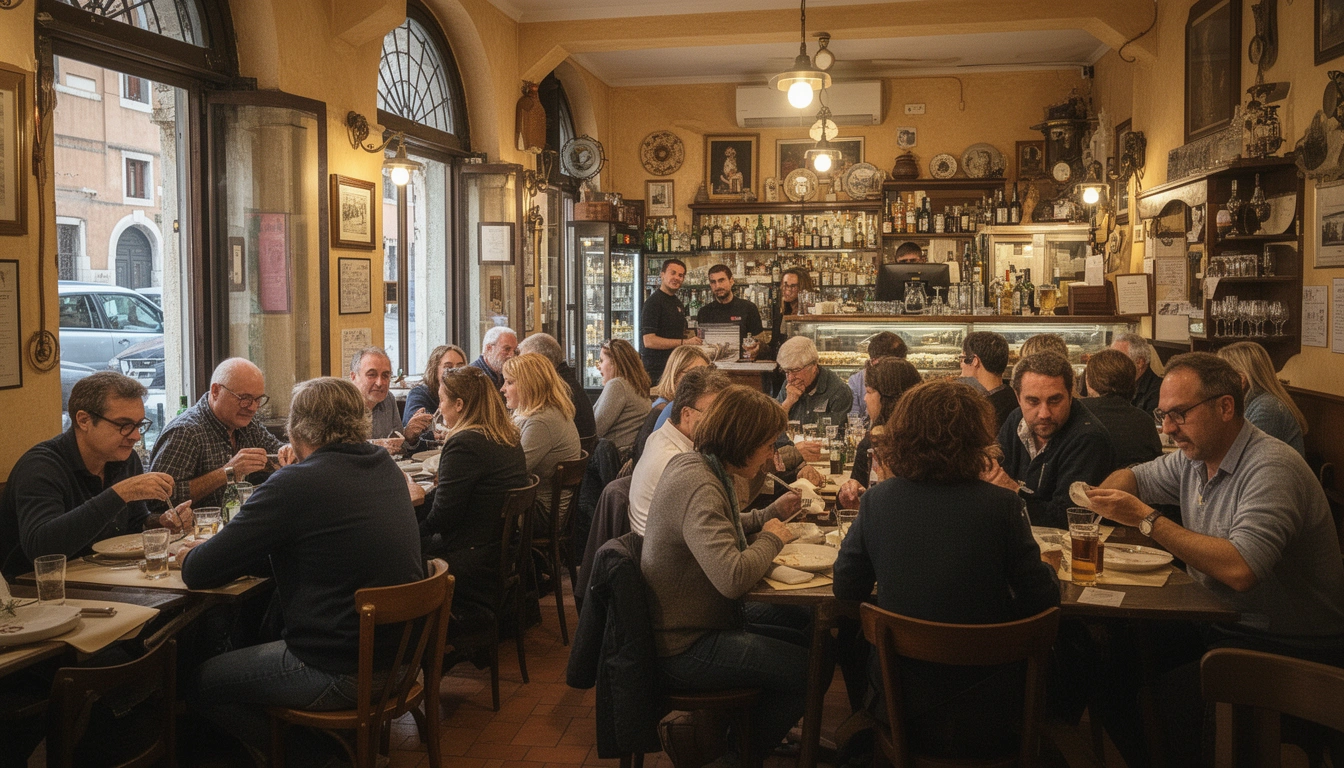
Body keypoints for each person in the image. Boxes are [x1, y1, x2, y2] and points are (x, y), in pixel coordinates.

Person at [1086, 352, 1344, 763]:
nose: (1169, 428)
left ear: (1226, 407)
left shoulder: (1271, 466)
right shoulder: (1195, 456)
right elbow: (1136, 476)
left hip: (1287, 643)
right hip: (1221, 623)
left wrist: (1147, 520)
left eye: (1180, 414)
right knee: (1109, 671)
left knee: (1174, 707)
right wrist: (1106, 497)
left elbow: (1241, 569)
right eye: (1163, 415)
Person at [181, 377, 425, 767]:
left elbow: (198, 571)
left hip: (341, 671)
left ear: (296, 428)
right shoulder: (382, 465)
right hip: (403, 662)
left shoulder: (294, 483)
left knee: (201, 683)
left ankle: (315, 756)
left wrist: (198, 549)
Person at [833, 380, 1059, 759]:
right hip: (993, 707)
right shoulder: (1001, 506)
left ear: (902, 437)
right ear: (977, 439)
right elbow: (1042, 599)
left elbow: (846, 588)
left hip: (900, 702)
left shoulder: (878, 502)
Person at [642, 386, 812, 759]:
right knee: (809, 671)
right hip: (684, 645)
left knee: (806, 633)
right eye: (767, 445)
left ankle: (744, 734)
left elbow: (722, 526)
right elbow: (732, 578)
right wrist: (771, 539)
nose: (771, 455)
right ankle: (736, 755)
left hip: (703, 622)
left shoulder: (699, 464)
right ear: (743, 441)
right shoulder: (700, 484)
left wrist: (769, 514)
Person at [1, 372, 193, 579]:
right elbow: (41, 549)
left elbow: (136, 523)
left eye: (139, 425)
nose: (136, 436)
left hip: (103, 578)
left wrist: (161, 523)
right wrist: (119, 494)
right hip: (34, 592)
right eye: (124, 425)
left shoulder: (126, 460)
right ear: (84, 420)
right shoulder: (41, 467)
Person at [419, 366, 528, 626]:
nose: (439, 407)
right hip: (499, 552)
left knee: (396, 557)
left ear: (459, 404)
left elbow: (444, 518)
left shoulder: (465, 443)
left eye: (442, 400)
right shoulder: (506, 435)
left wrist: (408, 531)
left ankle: (415, 648)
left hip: (471, 558)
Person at [987, 352, 1115, 528]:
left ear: (1071, 395)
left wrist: (1014, 491)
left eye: (1054, 400)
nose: (1044, 413)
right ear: (1017, 397)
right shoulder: (1016, 420)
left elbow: (1067, 518)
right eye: (1033, 401)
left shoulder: (1089, 438)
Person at [149, 358, 293, 509]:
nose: (252, 408)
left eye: (258, 399)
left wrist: (289, 451)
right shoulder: (185, 431)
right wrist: (227, 472)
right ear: (216, 391)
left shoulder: (248, 425)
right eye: (244, 398)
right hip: (196, 529)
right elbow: (158, 500)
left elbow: (278, 453)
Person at [628, 367, 732, 536]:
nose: (722, 423)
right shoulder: (679, 462)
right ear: (686, 414)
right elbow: (713, 535)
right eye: (713, 414)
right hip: (665, 557)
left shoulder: (659, 436)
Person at [501, 353, 581, 523]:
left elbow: (513, 470)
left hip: (541, 513)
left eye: (509, 382)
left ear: (529, 385)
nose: (502, 389)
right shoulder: (535, 413)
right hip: (535, 505)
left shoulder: (542, 421)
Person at [837, 359, 922, 509]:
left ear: (889, 399)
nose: (865, 398)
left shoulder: (874, 443)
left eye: (869, 392)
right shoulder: (930, 441)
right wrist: (849, 491)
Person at [1217, 341, 1307, 457]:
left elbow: (1244, 458)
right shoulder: (1248, 402)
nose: (1216, 384)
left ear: (1241, 380)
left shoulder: (1267, 408)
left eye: (1219, 377)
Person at [1079, 349, 1162, 468]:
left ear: (1090, 381)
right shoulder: (1145, 421)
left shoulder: (1075, 413)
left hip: (1082, 485)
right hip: (1131, 486)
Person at [518, 332, 597, 441]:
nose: (522, 371)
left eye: (525, 364)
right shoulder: (567, 381)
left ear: (540, 362)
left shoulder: (558, 390)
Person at [348, 347, 432, 446]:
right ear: (353, 377)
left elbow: (399, 447)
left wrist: (408, 435)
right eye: (371, 375)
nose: (379, 383)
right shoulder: (340, 404)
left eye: (385, 376)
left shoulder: (388, 399)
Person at [776, 335, 854, 437]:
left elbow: (833, 438)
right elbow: (772, 431)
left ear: (813, 367)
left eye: (795, 371)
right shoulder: (789, 385)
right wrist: (787, 403)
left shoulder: (839, 392)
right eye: (786, 371)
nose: (790, 378)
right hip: (789, 450)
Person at [640, 258, 699, 381]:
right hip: (657, 371)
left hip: (673, 367)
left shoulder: (677, 303)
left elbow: (675, 332)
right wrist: (685, 343)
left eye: (680, 275)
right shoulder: (653, 302)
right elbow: (649, 341)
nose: (677, 278)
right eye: (673, 273)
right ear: (662, 275)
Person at [593, 338, 652, 457]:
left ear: (614, 363)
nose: (598, 366)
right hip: (625, 458)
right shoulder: (636, 385)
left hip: (611, 459)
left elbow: (594, 430)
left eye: (601, 360)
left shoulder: (618, 385)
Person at [647, 344, 711, 435]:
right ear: (675, 375)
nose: (704, 378)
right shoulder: (668, 409)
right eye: (694, 374)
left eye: (706, 372)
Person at [697, 264, 763, 351]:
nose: (717, 286)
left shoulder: (748, 308)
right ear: (710, 284)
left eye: (721, 280)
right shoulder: (704, 312)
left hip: (742, 362)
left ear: (731, 281)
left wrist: (756, 348)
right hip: (713, 362)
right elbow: (700, 344)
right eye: (713, 282)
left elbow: (761, 342)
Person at [960, 331, 1018, 430]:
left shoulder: (984, 411)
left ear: (975, 361)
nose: (961, 365)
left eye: (962, 359)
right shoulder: (1013, 398)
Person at [402, 344, 467, 427]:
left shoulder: (468, 394)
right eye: (448, 367)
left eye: (460, 367)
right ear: (435, 370)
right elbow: (417, 429)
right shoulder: (420, 394)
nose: (455, 371)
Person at [847, 331, 908, 420]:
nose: (865, 398)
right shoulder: (857, 380)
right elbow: (853, 419)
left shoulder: (909, 378)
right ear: (874, 361)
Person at [765, 267, 813, 361]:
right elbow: (775, 345)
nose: (787, 291)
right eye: (785, 285)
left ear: (803, 289)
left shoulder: (808, 314)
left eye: (793, 286)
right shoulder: (781, 314)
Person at [1112, 332, 1162, 414]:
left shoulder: (1157, 392)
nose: (1111, 363)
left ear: (1139, 362)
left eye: (1118, 358)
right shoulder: (1119, 385)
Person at [471, 325, 519, 390]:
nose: (512, 355)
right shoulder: (472, 377)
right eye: (507, 349)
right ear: (489, 348)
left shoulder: (509, 374)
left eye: (515, 351)